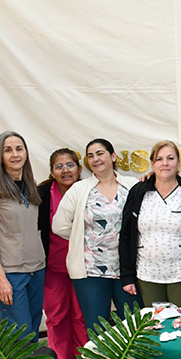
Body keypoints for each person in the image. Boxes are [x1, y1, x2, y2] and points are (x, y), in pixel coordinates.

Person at [52, 138, 140, 332]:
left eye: (100, 153)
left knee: (135, 326)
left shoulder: (132, 185)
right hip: (90, 271)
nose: (95, 159)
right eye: (90, 156)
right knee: (97, 329)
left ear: (113, 156)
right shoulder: (80, 189)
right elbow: (59, 226)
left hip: (127, 269)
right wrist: (85, 236)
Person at [120, 140, 181, 307]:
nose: (165, 163)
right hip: (146, 275)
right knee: (155, 322)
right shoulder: (138, 192)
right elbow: (126, 235)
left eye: (170, 158)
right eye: (159, 159)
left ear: (178, 163)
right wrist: (126, 275)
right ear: (152, 163)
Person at [0, 131, 46, 341]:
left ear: (26, 153)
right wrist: (0, 278)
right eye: (8, 150)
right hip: (10, 272)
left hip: (37, 268)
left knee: (33, 330)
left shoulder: (30, 184)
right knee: (20, 335)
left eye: (19, 149)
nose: (15, 154)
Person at [37, 148, 88, 359]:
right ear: (51, 172)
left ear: (79, 168)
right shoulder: (42, 194)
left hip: (83, 266)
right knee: (56, 317)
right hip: (53, 267)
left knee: (81, 315)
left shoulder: (89, 190)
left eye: (70, 165)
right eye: (59, 166)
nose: (65, 170)